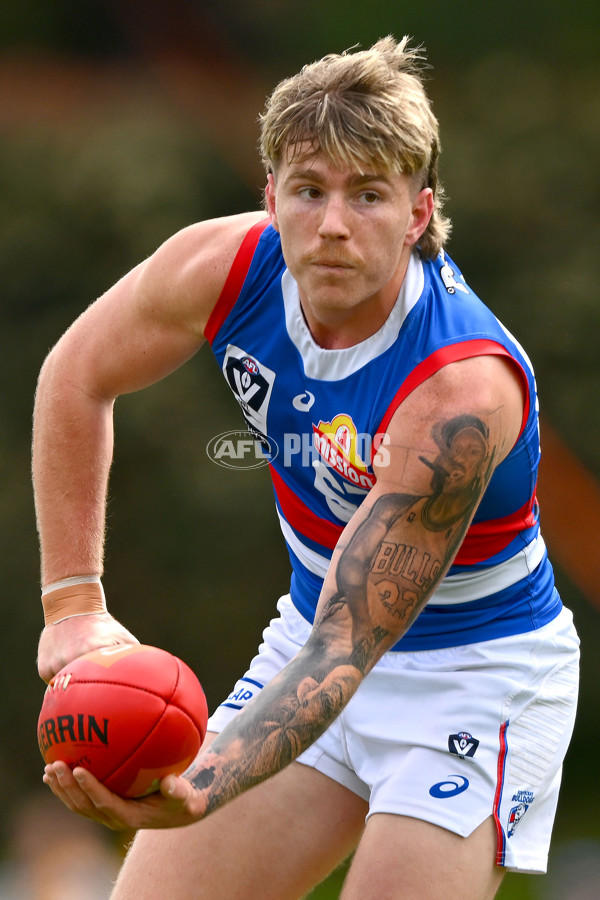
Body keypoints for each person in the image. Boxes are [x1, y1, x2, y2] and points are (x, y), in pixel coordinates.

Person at [34, 36, 580, 900]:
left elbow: (349, 641)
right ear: (271, 195)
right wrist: (73, 604)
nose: (332, 225)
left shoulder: (460, 392)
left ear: (416, 211)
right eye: (309, 190)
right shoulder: (221, 268)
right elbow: (75, 378)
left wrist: (204, 784)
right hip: (312, 641)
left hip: (473, 681)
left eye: (368, 195)